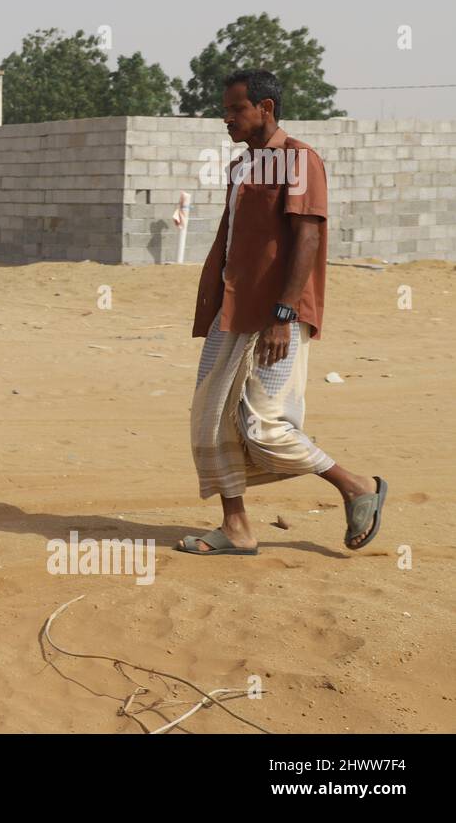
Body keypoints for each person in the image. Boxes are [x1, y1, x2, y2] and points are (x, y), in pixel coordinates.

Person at [179, 69, 386, 556]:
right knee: (211, 417)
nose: (226, 118)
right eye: (226, 109)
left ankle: (356, 486)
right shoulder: (243, 167)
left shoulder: (299, 160)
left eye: (236, 109)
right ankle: (236, 527)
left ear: (265, 108)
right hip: (231, 312)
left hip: (276, 318)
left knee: (265, 424)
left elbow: (308, 238)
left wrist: (283, 314)